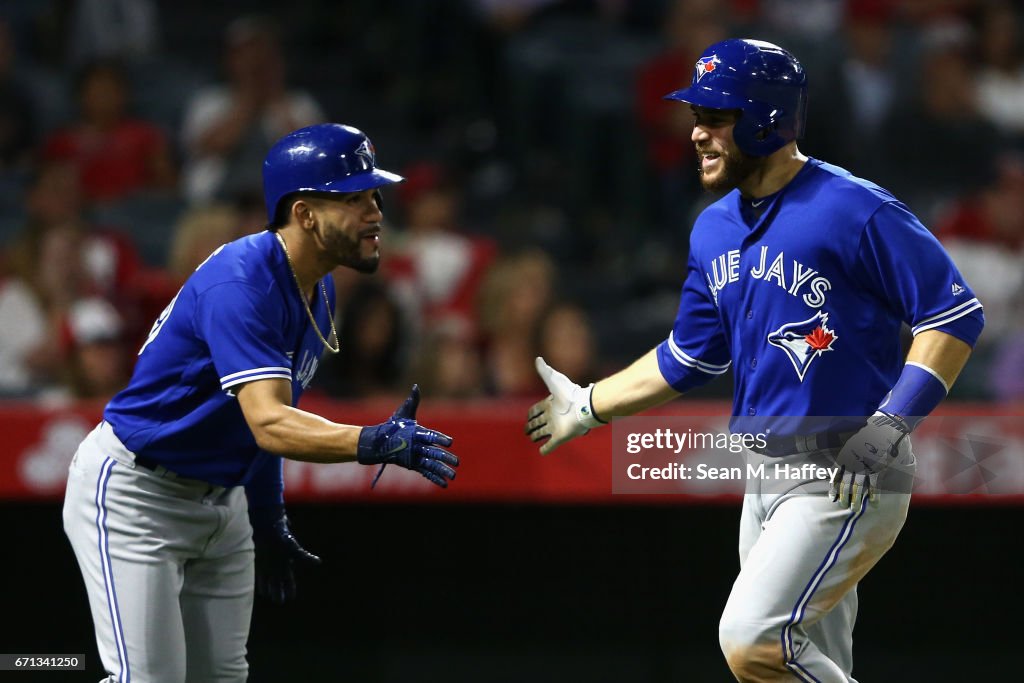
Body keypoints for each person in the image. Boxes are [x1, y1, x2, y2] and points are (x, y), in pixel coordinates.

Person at [525, 39, 984, 681]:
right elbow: (687, 357)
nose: (697, 133)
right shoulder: (712, 226)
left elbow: (953, 315)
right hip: (762, 474)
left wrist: (889, 426)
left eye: (716, 118)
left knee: (753, 640)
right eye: (697, 117)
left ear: (765, 117)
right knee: (801, 661)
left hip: (847, 463)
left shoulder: (854, 208)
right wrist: (591, 402)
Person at [62, 123, 459, 683]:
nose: (375, 212)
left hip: (222, 502)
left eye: (374, 196)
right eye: (353, 198)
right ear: (305, 214)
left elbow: (272, 416)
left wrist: (267, 514)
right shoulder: (242, 282)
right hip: (138, 495)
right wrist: (371, 442)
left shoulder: (315, 284)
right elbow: (270, 423)